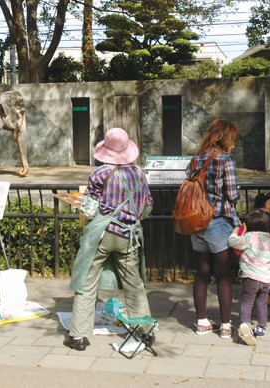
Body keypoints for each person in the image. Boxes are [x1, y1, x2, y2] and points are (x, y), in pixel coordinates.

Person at [64, 127, 154, 351]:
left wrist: (80, 203)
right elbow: (148, 207)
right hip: (129, 235)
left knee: (87, 281)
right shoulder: (139, 174)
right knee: (134, 284)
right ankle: (145, 333)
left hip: (102, 234)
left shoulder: (100, 174)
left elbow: (89, 209)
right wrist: (132, 217)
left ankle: (78, 336)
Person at [187, 119, 241, 339]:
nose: (234, 144)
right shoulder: (224, 159)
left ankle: (201, 323)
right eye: (233, 140)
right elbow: (233, 194)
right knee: (223, 275)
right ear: (226, 138)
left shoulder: (195, 159)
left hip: (195, 221)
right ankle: (226, 326)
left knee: (202, 274)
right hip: (217, 221)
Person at [228, 209, 270, 346]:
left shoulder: (248, 238)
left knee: (247, 301)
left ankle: (245, 323)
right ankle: (261, 328)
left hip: (250, 276)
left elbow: (232, 242)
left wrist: (236, 230)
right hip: (266, 278)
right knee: (262, 303)